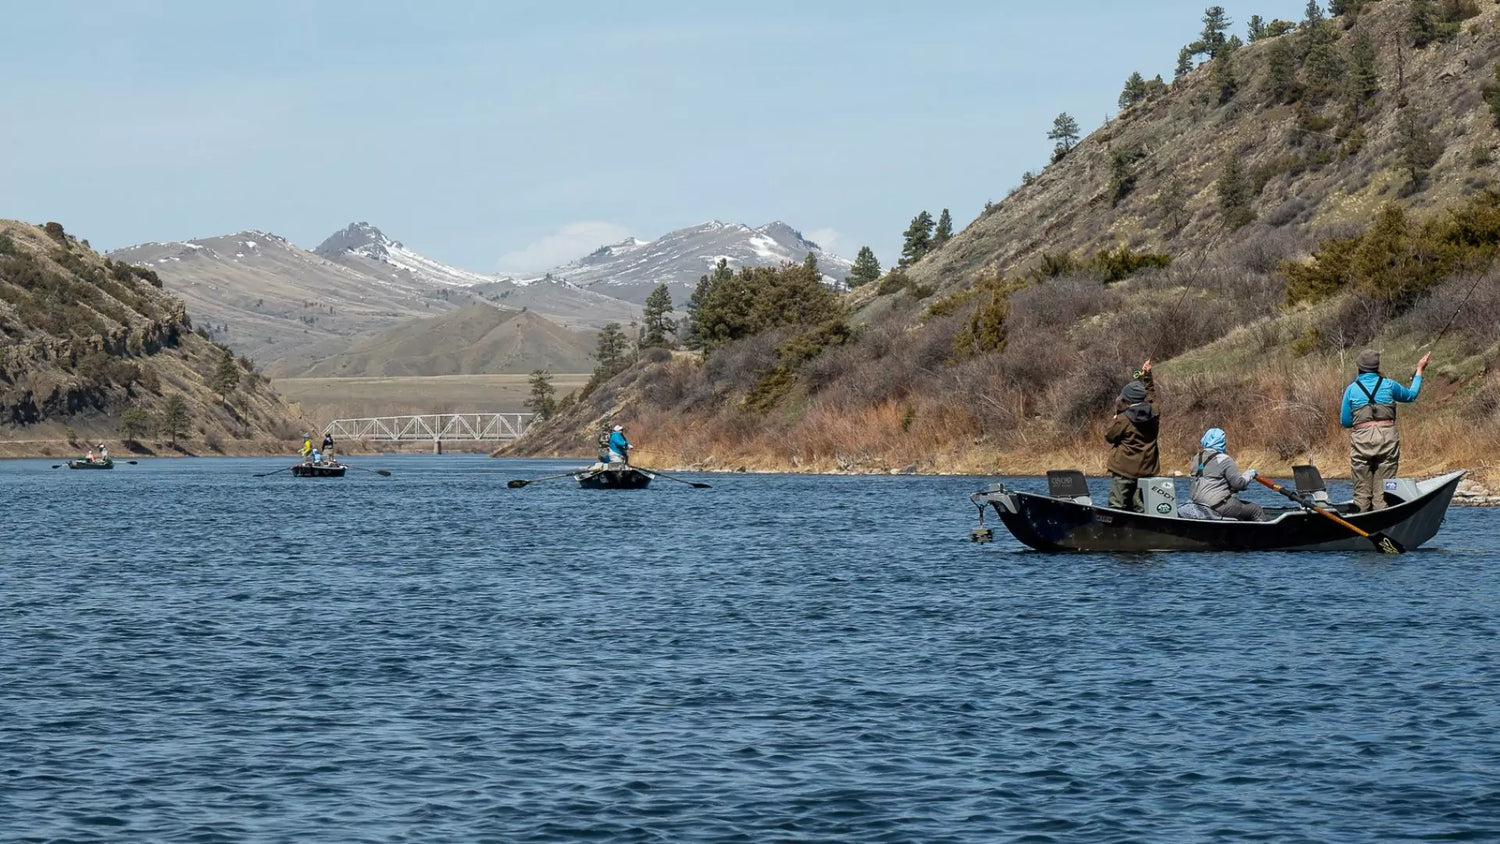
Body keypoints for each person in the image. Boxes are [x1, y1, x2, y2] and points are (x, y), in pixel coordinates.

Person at [1340, 349, 1430, 512]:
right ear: (1377, 367)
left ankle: (1360, 522)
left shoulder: (1351, 389)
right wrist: (1419, 370)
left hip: (1362, 440)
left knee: (1361, 494)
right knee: (1382, 495)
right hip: (1387, 439)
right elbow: (1411, 395)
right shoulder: (1389, 385)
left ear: (1359, 367)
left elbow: (1345, 422)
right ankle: (1382, 519)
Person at [1104, 359, 1159, 512]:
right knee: (1141, 509)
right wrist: (1147, 376)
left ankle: (1116, 533)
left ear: (1127, 400)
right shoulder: (1155, 413)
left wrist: (1115, 418)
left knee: (1117, 507)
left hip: (1123, 471)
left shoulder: (1123, 419)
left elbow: (1109, 437)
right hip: (1147, 469)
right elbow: (1152, 396)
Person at [1188, 428, 1263, 521]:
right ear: (1222, 442)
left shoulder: (1196, 458)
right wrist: (1250, 473)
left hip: (1197, 505)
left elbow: (1210, 479)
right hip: (1218, 506)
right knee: (1256, 510)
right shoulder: (1224, 459)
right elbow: (1239, 484)